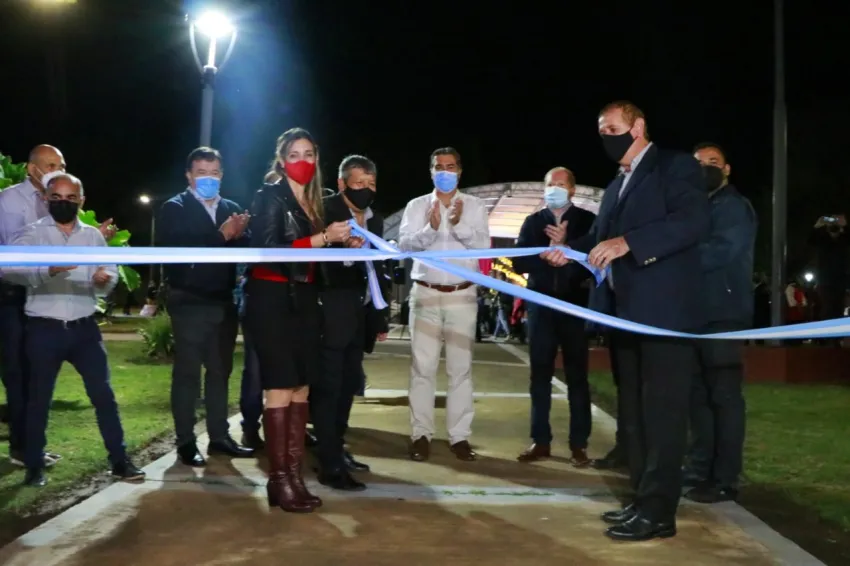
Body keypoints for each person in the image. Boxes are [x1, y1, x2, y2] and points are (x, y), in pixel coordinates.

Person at [546, 101, 709, 541]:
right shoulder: (617, 185)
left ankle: (659, 511)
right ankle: (641, 499)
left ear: (638, 127)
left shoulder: (674, 167)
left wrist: (629, 243)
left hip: (664, 316)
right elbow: (600, 241)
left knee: (663, 415)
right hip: (625, 316)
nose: (606, 138)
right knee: (634, 415)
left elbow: (692, 222)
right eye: (601, 131)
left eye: (613, 129)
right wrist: (570, 253)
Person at [2, 173, 144, 487]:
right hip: (43, 330)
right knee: (38, 401)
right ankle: (34, 466)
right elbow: (8, 268)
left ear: (81, 200)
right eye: (56, 198)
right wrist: (45, 270)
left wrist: (104, 280)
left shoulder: (93, 236)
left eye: (70, 198)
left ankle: (120, 461)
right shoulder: (32, 234)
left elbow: (109, 271)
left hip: (84, 330)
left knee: (104, 397)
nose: (63, 203)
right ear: (46, 199)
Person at [244, 127, 352, 513]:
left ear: (317, 158)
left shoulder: (317, 202)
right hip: (271, 299)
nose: (302, 161)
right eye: (294, 155)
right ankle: (279, 480)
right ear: (281, 160)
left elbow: (314, 257)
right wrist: (323, 239)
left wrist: (344, 243)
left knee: (302, 386)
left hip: (305, 299)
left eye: (309, 154)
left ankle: (294, 477)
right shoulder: (269, 196)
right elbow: (268, 249)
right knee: (280, 386)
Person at [0, 144, 115, 468]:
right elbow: (12, 253)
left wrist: (89, 240)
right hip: (12, 296)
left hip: (49, 298)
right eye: (50, 165)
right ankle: (22, 448)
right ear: (32, 169)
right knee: (18, 374)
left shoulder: (60, 199)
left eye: (61, 164)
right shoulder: (9, 201)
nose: (57, 170)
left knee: (37, 378)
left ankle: (32, 448)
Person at [158, 147, 254, 467]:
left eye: (214, 173)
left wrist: (242, 233)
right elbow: (179, 255)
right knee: (188, 374)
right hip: (188, 300)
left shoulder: (231, 208)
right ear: (189, 176)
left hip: (222, 302)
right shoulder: (174, 208)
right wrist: (222, 235)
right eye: (201, 173)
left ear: (221, 175)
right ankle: (186, 442)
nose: (208, 179)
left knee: (220, 372)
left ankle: (219, 436)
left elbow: (243, 251)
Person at [398, 147, 490, 462]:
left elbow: (483, 247)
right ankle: (420, 435)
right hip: (425, 293)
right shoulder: (416, 206)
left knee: (460, 369)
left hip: (462, 295)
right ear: (431, 171)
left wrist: (458, 224)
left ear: (460, 171)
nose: (445, 172)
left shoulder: (475, 206)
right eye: (439, 167)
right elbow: (404, 245)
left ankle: (459, 437)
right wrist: (431, 228)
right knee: (422, 368)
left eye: (451, 167)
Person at [312, 154, 390, 491]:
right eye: (359, 183)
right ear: (342, 184)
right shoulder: (324, 210)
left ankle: (337, 447)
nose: (366, 190)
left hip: (360, 312)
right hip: (331, 310)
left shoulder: (376, 219)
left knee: (348, 386)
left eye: (371, 184)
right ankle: (328, 463)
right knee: (328, 388)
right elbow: (312, 260)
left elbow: (377, 269)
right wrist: (344, 252)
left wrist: (379, 316)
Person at [684, 143, 756, 504]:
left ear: (727, 169)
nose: (705, 168)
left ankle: (726, 478)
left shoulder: (734, 207)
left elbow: (721, 251)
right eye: (698, 163)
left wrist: (674, 257)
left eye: (713, 163)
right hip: (694, 313)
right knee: (699, 396)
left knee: (724, 397)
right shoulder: (695, 207)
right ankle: (700, 468)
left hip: (723, 313)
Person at [513, 167, 596, 467]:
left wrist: (567, 253)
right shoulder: (533, 222)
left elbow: (594, 260)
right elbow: (519, 262)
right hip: (541, 307)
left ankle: (579, 445)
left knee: (577, 376)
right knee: (540, 375)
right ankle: (540, 440)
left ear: (572, 189)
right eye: (550, 184)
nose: (554, 189)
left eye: (560, 184)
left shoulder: (587, 221)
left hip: (575, 306)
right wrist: (544, 256)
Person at [234, 264, 264, 449]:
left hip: (293, 303)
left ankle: (293, 428)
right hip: (257, 303)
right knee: (255, 372)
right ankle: (250, 428)